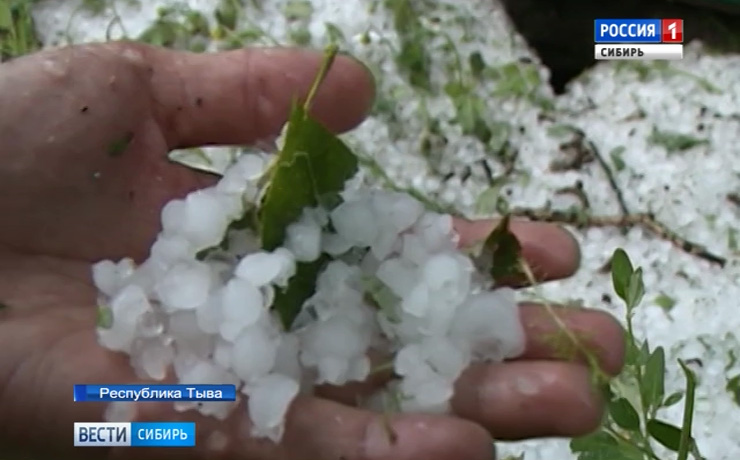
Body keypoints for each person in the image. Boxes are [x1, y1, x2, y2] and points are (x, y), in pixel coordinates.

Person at [0, 41, 625, 460]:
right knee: (117, 424)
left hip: (157, 378)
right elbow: (114, 418)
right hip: (154, 382)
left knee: (118, 424)